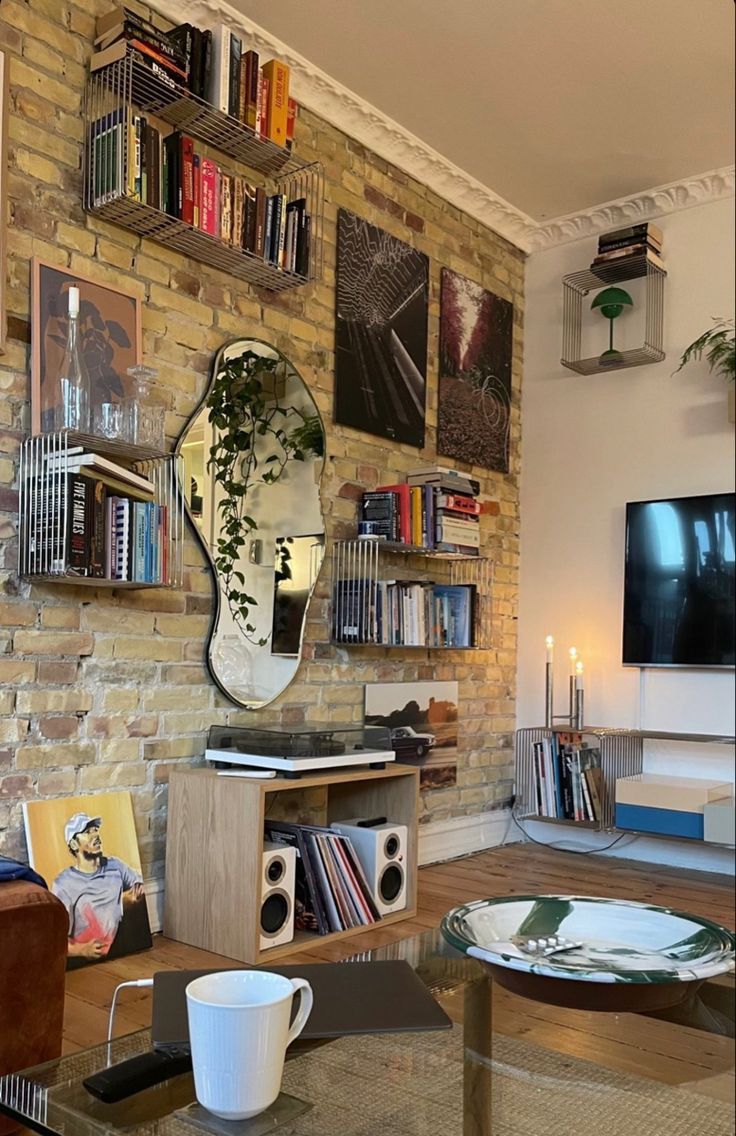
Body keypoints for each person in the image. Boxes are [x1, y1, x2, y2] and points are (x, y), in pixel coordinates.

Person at [51, 813, 145, 961]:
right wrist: (81, 950)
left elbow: (139, 885)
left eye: (95, 830)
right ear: (74, 844)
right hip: (84, 960)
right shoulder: (64, 884)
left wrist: (134, 894)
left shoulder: (115, 866)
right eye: (88, 832)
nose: (95, 835)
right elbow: (55, 938)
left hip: (122, 948)